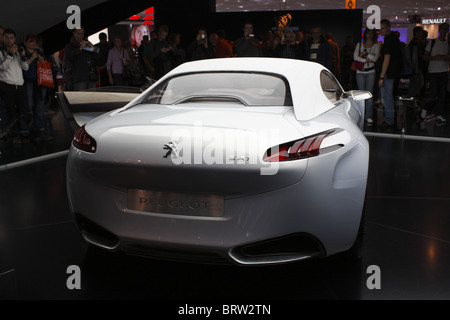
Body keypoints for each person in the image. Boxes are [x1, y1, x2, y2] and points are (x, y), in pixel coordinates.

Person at [0, 28, 33, 143]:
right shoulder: (1, 52)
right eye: (7, 38)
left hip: (20, 85)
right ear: (3, 39)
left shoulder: (18, 51)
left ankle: (28, 131)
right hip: (7, 85)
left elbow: (25, 67)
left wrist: (23, 56)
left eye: (11, 38)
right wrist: (10, 54)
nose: (9, 40)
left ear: (15, 39)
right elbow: (3, 67)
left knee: (25, 110)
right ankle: (15, 135)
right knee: (11, 112)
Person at [22, 34, 53, 141]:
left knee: (40, 106)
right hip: (28, 82)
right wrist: (31, 58)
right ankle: (25, 128)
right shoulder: (23, 53)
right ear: (25, 42)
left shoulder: (40, 52)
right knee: (28, 105)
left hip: (40, 83)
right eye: (30, 41)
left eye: (34, 41)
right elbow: (23, 67)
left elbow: (46, 64)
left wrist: (40, 58)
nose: (33, 43)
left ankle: (40, 127)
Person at [423, 22, 449, 123]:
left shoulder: (447, 44)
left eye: (446, 29)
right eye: (442, 29)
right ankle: (425, 109)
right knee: (433, 93)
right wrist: (435, 58)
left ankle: (438, 113)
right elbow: (425, 57)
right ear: (439, 30)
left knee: (442, 94)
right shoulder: (432, 42)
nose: (444, 31)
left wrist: (445, 57)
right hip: (433, 71)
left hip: (443, 70)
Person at [378, 19, 402, 128]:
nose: (381, 30)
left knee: (386, 96)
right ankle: (389, 119)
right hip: (393, 72)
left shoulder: (389, 40)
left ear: (388, 28)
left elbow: (387, 59)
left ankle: (389, 120)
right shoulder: (393, 38)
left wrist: (381, 76)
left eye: (382, 28)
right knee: (387, 96)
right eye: (380, 28)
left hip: (389, 73)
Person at [353, 28, 380, 125]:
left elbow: (375, 58)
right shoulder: (359, 44)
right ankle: (360, 115)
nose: (369, 35)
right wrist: (366, 60)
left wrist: (365, 54)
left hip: (371, 72)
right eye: (368, 33)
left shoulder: (376, 45)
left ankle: (368, 116)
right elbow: (355, 57)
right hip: (360, 72)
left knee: (369, 94)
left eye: (371, 33)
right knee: (361, 95)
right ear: (365, 34)